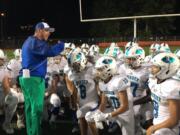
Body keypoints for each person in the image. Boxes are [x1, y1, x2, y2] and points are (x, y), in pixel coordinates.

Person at [19, 22, 64, 135]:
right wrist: (61, 45)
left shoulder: (30, 41)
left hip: (27, 78)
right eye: (46, 30)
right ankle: (35, 133)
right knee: (37, 109)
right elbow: (51, 51)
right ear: (39, 30)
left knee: (30, 108)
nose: (48, 33)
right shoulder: (35, 41)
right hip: (33, 79)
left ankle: (31, 132)